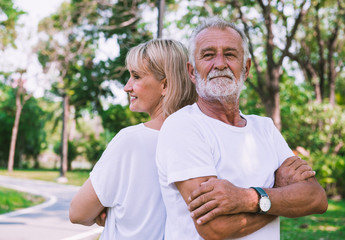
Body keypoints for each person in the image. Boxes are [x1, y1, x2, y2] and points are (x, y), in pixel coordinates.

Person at [156, 17, 328, 240]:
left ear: (246, 68)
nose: (220, 64)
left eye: (230, 54)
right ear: (191, 71)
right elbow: (215, 227)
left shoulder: (264, 128)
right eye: (208, 55)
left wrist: (247, 198)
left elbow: (316, 198)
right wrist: (278, 193)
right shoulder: (183, 126)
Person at [69, 39, 197, 239]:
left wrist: (105, 213)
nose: (127, 87)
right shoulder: (199, 139)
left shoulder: (131, 140)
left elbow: (78, 213)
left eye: (136, 76)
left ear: (165, 84)